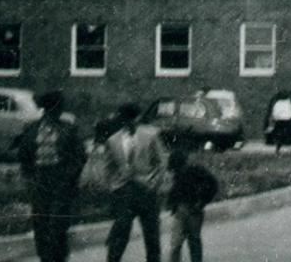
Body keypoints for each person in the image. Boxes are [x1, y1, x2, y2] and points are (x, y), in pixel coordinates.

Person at [17, 90, 86, 262]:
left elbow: (80, 157)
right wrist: (30, 178)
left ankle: (58, 259)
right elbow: (24, 156)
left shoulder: (69, 129)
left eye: (57, 109)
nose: (55, 112)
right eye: (52, 109)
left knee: (57, 226)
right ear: (45, 109)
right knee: (41, 226)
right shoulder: (31, 129)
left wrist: (67, 178)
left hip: (61, 183)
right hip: (39, 182)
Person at [101, 102, 169, 262]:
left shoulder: (150, 135)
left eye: (131, 119)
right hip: (124, 191)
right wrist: (113, 186)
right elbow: (107, 167)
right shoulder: (113, 140)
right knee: (121, 231)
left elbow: (162, 162)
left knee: (151, 234)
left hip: (146, 190)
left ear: (137, 118)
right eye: (125, 119)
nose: (129, 123)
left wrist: (154, 183)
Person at [166, 150, 219, 262]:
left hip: (193, 210)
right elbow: (174, 191)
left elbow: (213, 184)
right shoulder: (179, 174)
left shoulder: (195, 171)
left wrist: (202, 201)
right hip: (182, 210)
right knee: (178, 242)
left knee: (190, 242)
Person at [264, 90, 291, 155]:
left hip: (279, 121)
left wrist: (276, 119)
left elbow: (275, 113)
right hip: (288, 121)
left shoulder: (277, 103)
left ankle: (278, 150)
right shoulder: (289, 103)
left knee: (280, 137)